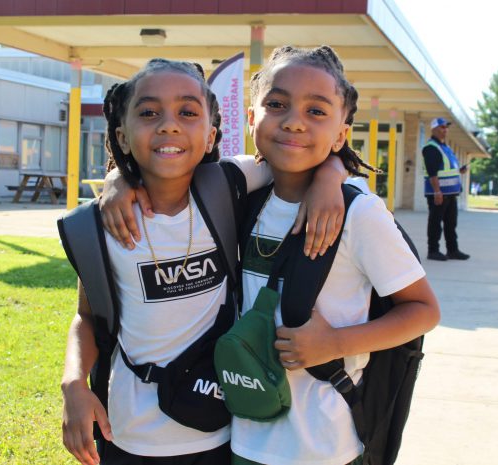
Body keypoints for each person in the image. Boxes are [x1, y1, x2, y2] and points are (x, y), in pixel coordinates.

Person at [59, 59, 346, 465]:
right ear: (121, 135)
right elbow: (86, 317)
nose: (169, 125)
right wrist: (73, 383)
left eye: (188, 113)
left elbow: (299, 155)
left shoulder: (228, 185)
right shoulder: (102, 224)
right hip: (127, 434)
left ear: (211, 134)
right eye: (148, 112)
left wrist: (331, 175)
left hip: (217, 430)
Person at [231, 45, 440, 465]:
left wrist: (335, 344)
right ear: (252, 117)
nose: (293, 121)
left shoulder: (359, 213)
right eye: (276, 104)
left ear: (342, 133)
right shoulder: (241, 197)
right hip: (240, 434)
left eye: (316, 111)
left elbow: (423, 310)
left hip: (322, 444)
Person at [421, 117, 470, 261]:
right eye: (442, 127)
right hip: (438, 193)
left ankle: (452, 250)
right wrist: (437, 191)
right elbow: (432, 172)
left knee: (451, 224)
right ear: (434, 129)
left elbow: (447, 169)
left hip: (450, 193)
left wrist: (459, 170)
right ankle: (433, 250)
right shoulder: (431, 148)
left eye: (446, 127)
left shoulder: (446, 148)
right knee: (435, 223)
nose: (445, 130)